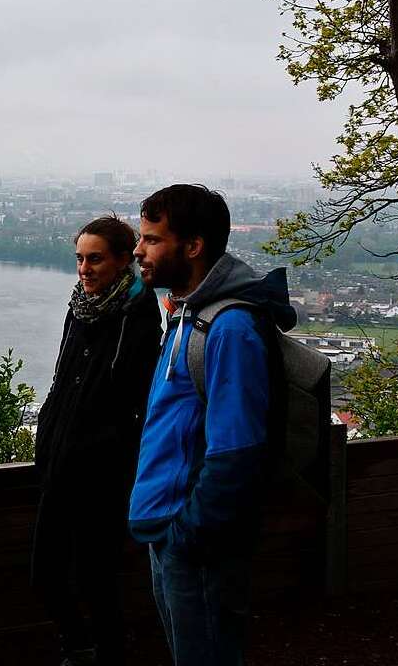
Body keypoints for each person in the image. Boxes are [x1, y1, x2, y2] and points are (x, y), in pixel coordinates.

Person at [129, 185, 296, 665]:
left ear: (194, 246)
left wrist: (190, 535)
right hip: (166, 528)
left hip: (194, 541)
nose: (139, 249)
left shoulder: (229, 329)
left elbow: (237, 450)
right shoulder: (187, 315)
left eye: (153, 239)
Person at [32, 215, 162, 666]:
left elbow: (132, 399)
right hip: (58, 461)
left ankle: (105, 653)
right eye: (79, 259)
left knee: (96, 576)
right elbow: (62, 382)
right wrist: (47, 438)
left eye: (95, 259)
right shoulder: (79, 308)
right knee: (45, 572)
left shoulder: (138, 316)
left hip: (102, 473)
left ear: (123, 261)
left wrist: (109, 450)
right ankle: (78, 643)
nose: (84, 268)